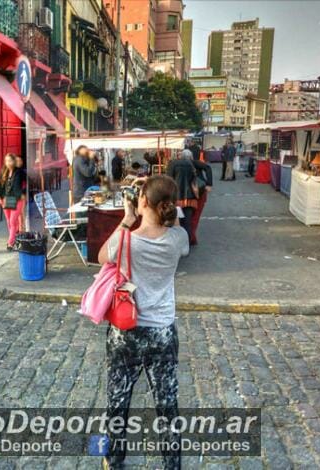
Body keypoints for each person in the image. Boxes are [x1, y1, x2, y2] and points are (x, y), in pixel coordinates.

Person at [98, 175, 189, 470]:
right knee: (167, 405)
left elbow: (101, 256)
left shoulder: (126, 240)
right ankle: (172, 465)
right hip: (162, 331)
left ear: (143, 201)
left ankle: (114, 459)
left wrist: (127, 218)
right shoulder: (178, 239)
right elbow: (177, 228)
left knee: (118, 399)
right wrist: (165, 203)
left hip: (126, 331)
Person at [166, 149, 201, 240]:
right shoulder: (190, 165)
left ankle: (177, 241)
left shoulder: (173, 164)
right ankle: (187, 241)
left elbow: (168, 180)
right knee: (187, 222)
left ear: (180, 156)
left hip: (176, 197)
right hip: (190, 197)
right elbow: (194, 179)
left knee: (176, 221)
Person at [0, 154, 25, 251]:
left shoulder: (19, 172)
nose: (8, 163)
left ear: (14, 161)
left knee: (13, 221)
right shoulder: (3, 171)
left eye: (10, 161)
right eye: (6, 161)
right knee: (9, 222)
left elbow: (27, 183)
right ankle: (15, 238)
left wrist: (23, 193)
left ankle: (10, 243)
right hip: (6, 199)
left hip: (17, 199)